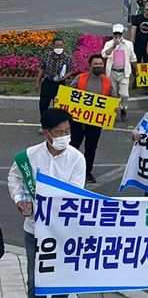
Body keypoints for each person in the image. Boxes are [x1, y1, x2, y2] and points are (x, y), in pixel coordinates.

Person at [8, 108, 85, 298]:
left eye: (67, 131)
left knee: (60, 281)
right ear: (46, 133)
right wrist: (20, 200)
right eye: (59, 132)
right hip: (34, 229)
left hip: (63, 232)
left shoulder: (76, 159)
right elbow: (14, 177)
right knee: (35, 280)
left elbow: (74, 195)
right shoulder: (28, 156)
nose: (65, 136)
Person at [69, 54, 111, 183]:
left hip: (95, 120)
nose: (98, 66)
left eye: (100, 64)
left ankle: (87, 172)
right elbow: (69, 94)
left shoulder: (107, 81)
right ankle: (69, 171)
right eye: (96, 64)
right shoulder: (80, 78)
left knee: (91, 147)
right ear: (90, 66)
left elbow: (111, 98)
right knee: (73, 145)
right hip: (77, 119)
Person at [102, 24, 137, 121]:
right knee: (113, 94)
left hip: (124, 72)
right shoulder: (109, 44)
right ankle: (112, 112)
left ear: (122, 34)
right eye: (115, 34)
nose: (117, 35)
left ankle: (123, 108)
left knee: (124, 94)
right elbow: (104, 55)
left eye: (119, 34)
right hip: (112, 72)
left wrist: (136, 70)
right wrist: (114, 45)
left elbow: (133, 58)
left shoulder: (128, 44)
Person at [35, 37, 72, 126]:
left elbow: (70, 71)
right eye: (57, 45)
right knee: (43, 106)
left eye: (61, 46)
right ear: (53, 46)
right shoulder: (46, 56)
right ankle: (44, 125)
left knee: (58, 106)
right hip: (48, 83)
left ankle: (57, 125)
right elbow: (41, 69)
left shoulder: (66, 57)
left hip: (60, 84)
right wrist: (37, 83)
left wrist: (63, 78)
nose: (59, 47)